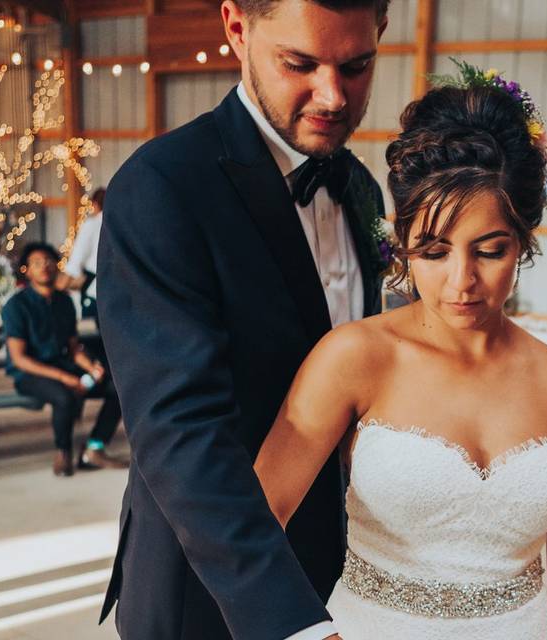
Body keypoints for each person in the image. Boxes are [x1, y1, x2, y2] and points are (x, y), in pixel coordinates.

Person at [254, 72, 547, 639]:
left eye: (490, 251)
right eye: (434, 252)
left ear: (524, 242)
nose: (461, 281)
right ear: (403, 244)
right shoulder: (356, 357)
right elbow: (257, 521)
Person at [96, 1, 389, 638]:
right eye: (299, 64)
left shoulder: (364, 190)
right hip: (209, 591)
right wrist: (293, 621)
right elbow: (181, 433)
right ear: (236, 28)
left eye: (357, 65)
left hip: (339, 575)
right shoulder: (162, 187)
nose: (333, 96)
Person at [2, 242, 125, 476]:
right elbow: (19, 359)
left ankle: (94, 448)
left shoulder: (64, 301)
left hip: (62, 364)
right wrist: (65, 377)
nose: (44, 267)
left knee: (116, 387)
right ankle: (63, 453)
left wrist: (91, 367)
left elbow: (73, 347)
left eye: (49, 261)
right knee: (64, 396)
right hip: (30, 373)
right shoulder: (16, 306)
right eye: (37, 263)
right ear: (27, 270)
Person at [57, 187, 105, 321]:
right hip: (117, 289)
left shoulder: (92, 224)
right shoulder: (120, 225)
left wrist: (57, 291)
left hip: (94, 290)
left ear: (95, 204)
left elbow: (76, 261)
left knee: (93, 336)